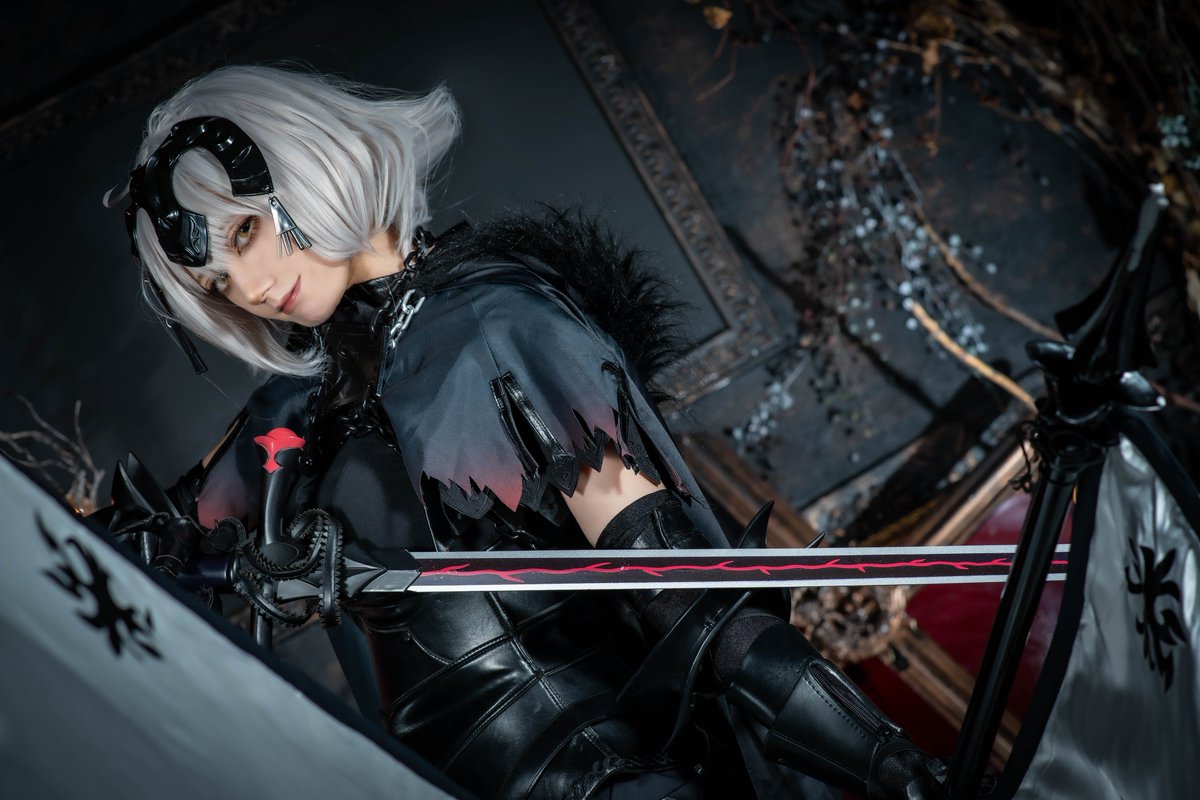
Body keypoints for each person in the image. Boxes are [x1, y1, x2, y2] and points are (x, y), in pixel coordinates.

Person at [104, 63, 948, 799]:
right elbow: (142, 551)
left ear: (307, 164)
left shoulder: (496, 324)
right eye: (217, 282)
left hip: (607, 780)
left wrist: (892, 763)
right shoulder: (301, 409)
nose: (250, 287)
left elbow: (686, 594)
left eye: (245, 232)